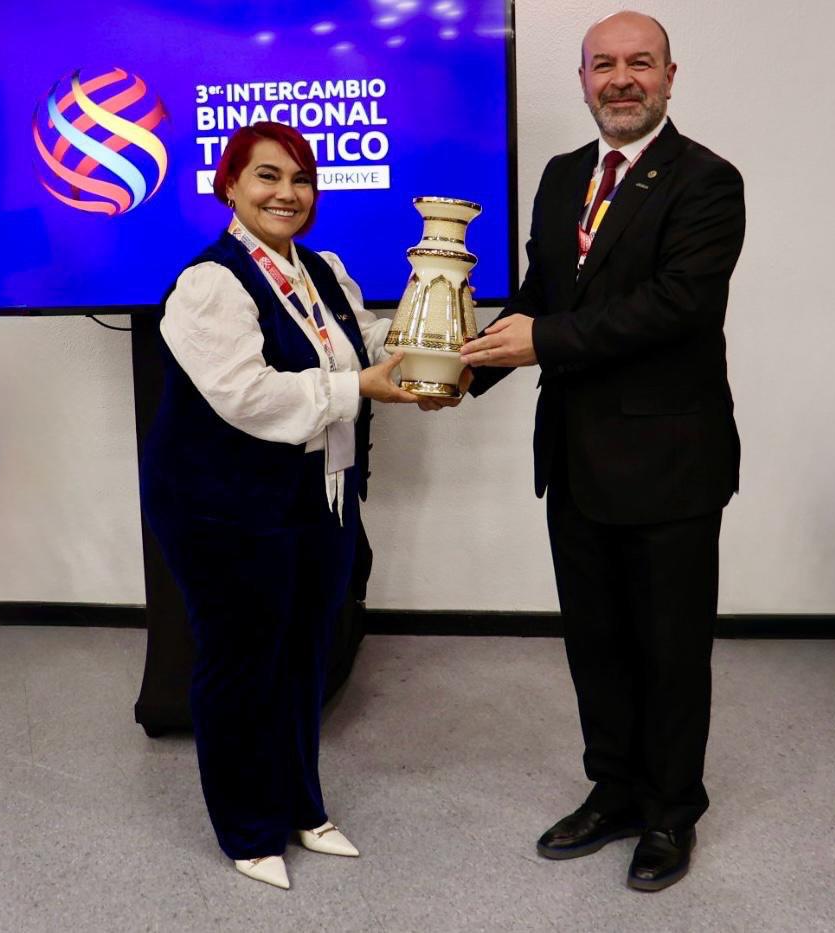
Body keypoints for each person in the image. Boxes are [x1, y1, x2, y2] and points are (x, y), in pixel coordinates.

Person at [454, 11, 746, 891]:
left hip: (671, 463)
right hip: (575, 459)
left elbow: (676, 306)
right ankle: (614, 789)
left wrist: (540, 340)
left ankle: (671, 809)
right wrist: (460, 367)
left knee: (670, 648)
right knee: (596, 642)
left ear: (669, 76)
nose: (622, 79)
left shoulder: (707, 181)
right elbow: (544, 292)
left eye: (640, 63)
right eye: (604, 65)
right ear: (582, 79)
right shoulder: (561, 176)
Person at [139, 122, 418, 890]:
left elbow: (360, 342)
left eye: (300, 178)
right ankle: (248, 828)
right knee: (239, 664)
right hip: (219, 504)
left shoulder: (322, 268)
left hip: (316, 492)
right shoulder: (210, 284)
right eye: (267, 176)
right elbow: (248, 395)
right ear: (230, 185)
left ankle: (300, 806)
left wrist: (430, 342)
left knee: (304, 657)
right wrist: (360, 387)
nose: (286, 193)